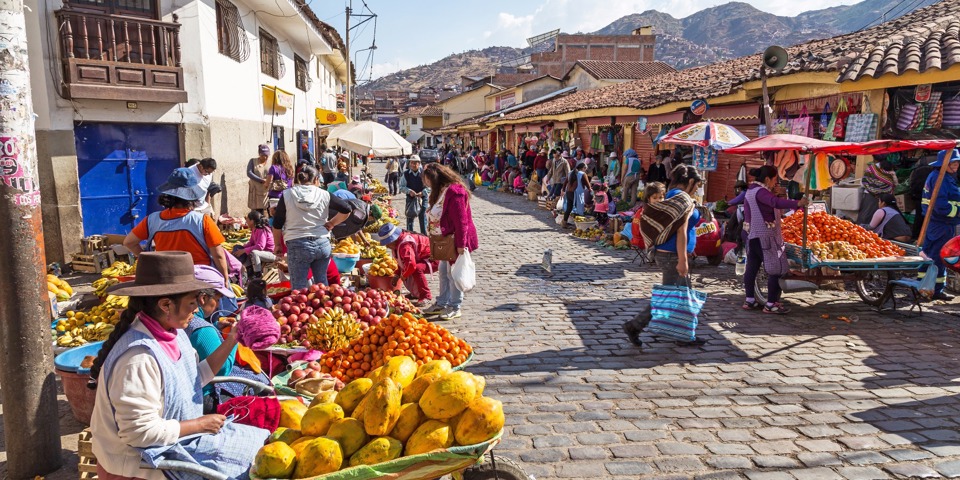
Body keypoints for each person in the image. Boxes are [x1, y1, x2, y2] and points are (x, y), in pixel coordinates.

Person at [88, 251, 268, 480]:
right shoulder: (138, 358)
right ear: (166, 305)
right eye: (192, 302)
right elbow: (138, 433)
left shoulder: (174, 332)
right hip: (138, 467)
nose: (197, 309)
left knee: (258, 445)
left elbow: (192, 378)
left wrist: (232, 339)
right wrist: (198, 424)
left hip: (173, 445)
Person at [623, 167, 709, 348]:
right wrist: (682, 259)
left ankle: (683, 334)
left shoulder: (671, 195)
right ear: (690, 182)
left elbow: (674, 227)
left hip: (670, 253)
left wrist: (688, 250)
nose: (697, 189)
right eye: (697, 185)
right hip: (672, 256)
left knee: (678, 296)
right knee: (671, 296)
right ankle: (635, 326)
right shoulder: (682, 198)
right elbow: (681, 231)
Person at [124, 168, 229, 285]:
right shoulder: (202, 220)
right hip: (199, 280)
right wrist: (225, 278)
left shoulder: (151, 220)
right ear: (192, 196)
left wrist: (149, 261)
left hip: (166, 278)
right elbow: (218, 255)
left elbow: (129, 242)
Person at [189, 265, 270, 412]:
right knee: (262, 384)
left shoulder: (178, 322)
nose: (218, 305)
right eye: (217, 299)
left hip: (191, 390)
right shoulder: (202, 330)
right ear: (203, 298)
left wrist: (216, 326)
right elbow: (222, 369)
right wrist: (233, 337)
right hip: (205, 397)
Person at [272, 165, 352, 290]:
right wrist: (332, 223)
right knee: (322, 286)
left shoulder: (287, 194)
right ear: (316, 180)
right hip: (322, 244)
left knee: (298, 288)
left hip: (297, 245)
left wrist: (277, 245)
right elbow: (346, 209)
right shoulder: (324, 194)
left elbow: (277, 223)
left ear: (299, 180)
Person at [741, 166, 808, 314]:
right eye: (774, 180)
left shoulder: (751, 190)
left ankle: (750, 300)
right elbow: (774, 202)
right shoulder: (761, 192)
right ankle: (771, 304)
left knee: (751, 268)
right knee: (776, 269)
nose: (775, 183)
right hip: (766, 237)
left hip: (753, 235)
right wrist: (797, 203)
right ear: (767, 179)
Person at [422, 163, 478, 321]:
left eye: (427, 179)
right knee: (443, 271)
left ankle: (455, 306)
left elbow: (461, 222)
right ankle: (442, 302)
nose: (426, 183)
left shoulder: (455, 192)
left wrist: (461, 245)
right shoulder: (440, 191)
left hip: (455, 240)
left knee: (452, 273)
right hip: (445, 240)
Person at [919, 149, 960, 300]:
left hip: (939, 224)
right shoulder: (940, 178)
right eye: (953, 163)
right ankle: (932, 290)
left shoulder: (942, 177)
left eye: (957, 162)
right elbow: (942, 206)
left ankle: (927, 288)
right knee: (938, 256)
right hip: (941, 224)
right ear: (944, 164)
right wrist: (958, 211)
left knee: (931, 255)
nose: (956, 165)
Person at [378, 224, 438, 305]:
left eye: (387, 243)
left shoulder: (405, 245)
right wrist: (397, 275)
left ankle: (426, 296)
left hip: (435, 258)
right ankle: (415, 293)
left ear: (393, 240)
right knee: (408, 269)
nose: (387, 246)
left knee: (416, 269)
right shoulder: (398, 244)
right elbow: (402, 261)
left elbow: (411, 265)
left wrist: (403, 276)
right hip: (422, 258)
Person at [233, 210, 275, 278]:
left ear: (252, 221)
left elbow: (260, 246)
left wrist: (244, 250)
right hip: (261, 252)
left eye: (247, 220)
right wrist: (241, 248)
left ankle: (257, 274)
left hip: (270, 253)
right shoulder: (254, 229)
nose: (246, 222)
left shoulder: (261, 229)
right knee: (241, 248)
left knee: (253, 252)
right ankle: (248, 273)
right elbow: (251, 243)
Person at [857, 159, 898, 225]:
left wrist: (872, 188)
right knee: (874, 215)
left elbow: (863, 182)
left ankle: (862, 228)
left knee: (866, 214)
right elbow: (895, 184)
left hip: (870, 195)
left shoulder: (872, 169)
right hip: (880, 197)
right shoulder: (890, 174)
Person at [400, 155, 429, 234]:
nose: (413, 165)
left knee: (422, 216)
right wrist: (409, 191)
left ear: (419, 163)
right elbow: (401, 186)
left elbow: (430, 186)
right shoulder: (406, 174)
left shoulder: (424, 173)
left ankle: (424, 235)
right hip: (411, 198)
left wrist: (422, 193)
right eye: (411, 163)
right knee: (410, 216)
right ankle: (410, 235)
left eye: (415, 163)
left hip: (423, 198)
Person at [561, 163, 589, 229]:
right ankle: (579, 226)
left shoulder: (570, 173)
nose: (585, 170)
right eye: (585, 169)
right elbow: (588, 185)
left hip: (569, 192)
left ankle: (564, 223)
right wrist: (591, 192)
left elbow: (565, 182)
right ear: (583, 168)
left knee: (569, 208)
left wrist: (563, 190)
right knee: (579, 209)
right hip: (576, 194)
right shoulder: (582, 174)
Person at [247, 144, 271, 214]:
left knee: (269, 210)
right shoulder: (253, 161)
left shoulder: (270, 163)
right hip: (255, 190)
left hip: (266, 190)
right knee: (256, 211)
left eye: (267, 155)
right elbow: (249, 173)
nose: (265, 157)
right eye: (263, 155)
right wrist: (261, 180)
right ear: (259, 154)